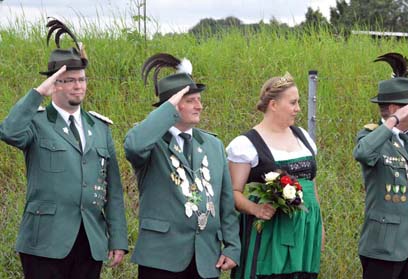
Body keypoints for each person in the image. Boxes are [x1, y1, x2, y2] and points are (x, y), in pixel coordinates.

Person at [0, 18, 128, 279]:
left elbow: (112, 189)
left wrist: (117, 238)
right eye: (69, 80)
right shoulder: (36, 122)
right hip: (45, 242)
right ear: (54, 84)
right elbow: (9, 131)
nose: (78, 85)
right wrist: (37, 93)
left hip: (89, 241)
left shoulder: (100, 128)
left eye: (81, 79)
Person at [124, 53, 241, 279]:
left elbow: (225, 201)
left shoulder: (213, 145)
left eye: (199, 99)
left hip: (205, 258)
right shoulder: (152, 143)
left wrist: (232, 246)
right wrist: (167, 109)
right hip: (161, 259)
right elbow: (134, 146)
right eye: (190, 100)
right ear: (172, 106)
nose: (200, 106)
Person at [226, 73, 324, 279]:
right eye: (293, 102)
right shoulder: (246, 144)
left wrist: (319, 227)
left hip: (305, 229)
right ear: (273, 105)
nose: (298, 108)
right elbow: (232, 192)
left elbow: (311, 185)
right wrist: (256, 208)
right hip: (269, 233)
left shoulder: (303, 136)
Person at [354, 52, 408, 279]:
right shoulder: (371, 138)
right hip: (384, 248)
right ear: (395, 109)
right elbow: (362, 153)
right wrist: (393, 122)